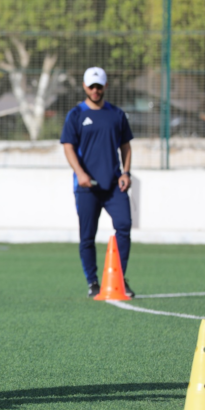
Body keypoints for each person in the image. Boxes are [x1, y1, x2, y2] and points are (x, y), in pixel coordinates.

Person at [60, 66, 135, 299]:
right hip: (87, 187)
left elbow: (126, 146)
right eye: (91, 86)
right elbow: (68, 147)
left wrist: (126, 173)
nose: (95, 90)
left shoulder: (117, 115)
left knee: (123, 225)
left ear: (105, 87)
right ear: (84, 86)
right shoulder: (76, 115)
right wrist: (80, 173)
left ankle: (118, 278)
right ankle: (92, 282)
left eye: (99, 86)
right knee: (87, 236)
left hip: (114, 184)